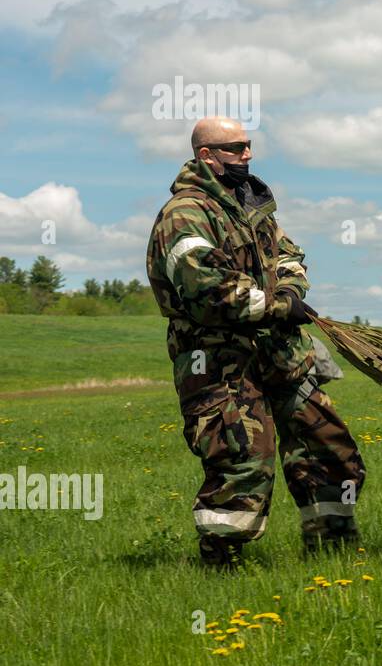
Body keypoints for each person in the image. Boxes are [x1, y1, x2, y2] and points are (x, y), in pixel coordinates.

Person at [145, 116, 365, 567]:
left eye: (249, 146)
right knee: (242, 459)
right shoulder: (184, 213)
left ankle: (333, 550)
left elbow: (289, 254)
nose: (247, 154)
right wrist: (279, 307)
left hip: (282, 353)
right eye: (236, 148)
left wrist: (289, 290)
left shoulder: (252, 206)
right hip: (220, 362)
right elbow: (206, 288)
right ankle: (222, 565)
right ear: (206, 156)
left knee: (327, 446)